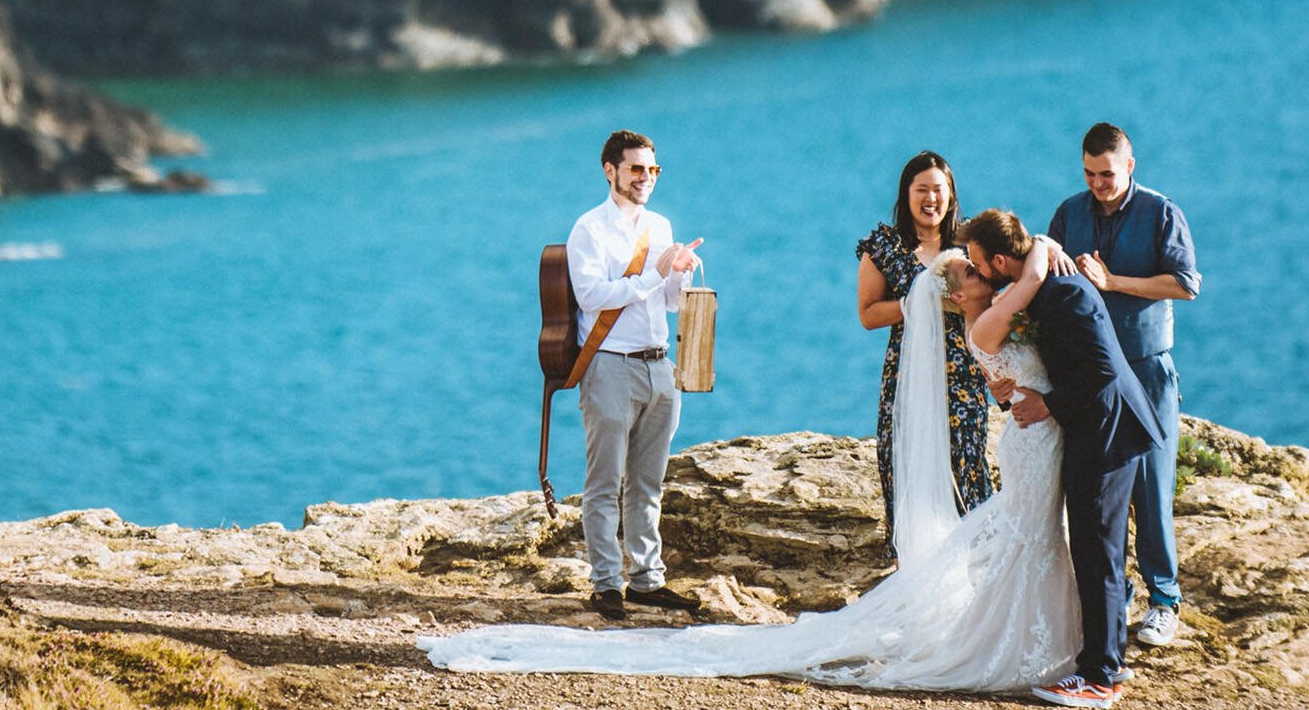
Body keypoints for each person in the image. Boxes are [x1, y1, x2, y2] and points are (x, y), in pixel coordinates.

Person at [421, 240, 1083, 691]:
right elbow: (1022, 289)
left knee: (1032, 539)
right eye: (968, 271)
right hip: (1032, 438)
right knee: (1027, 537)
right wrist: (1046, 255)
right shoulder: (988, 320)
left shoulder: (989, 318)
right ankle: (1017, 642)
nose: (975, 276)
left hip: (1033, 435)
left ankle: (1035, 636)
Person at [960, 208, 1164, 707]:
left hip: (1106, 432)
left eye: (979, 263)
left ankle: (1100, 677)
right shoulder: (1046, 287)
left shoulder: (1065, 293)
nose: (979, 272)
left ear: (1002, 261)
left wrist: (1046, 403)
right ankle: (1107, 658)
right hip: (1093, 430)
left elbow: (1099, 373)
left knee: (1097, 554)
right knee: (1097, 551)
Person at [1046, 123, 1200, 650]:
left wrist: (1114, 283)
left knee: (1151, 489)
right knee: (1093, 494)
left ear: (1129, 165)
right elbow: (1048, 284)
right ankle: (1119, 591)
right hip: (1089, 377)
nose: (1098, 183)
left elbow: (1185, 283)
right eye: (1089, 174)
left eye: (1106, 174)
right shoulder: (1068, 214)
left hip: (1147, 368)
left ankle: (1165, 600)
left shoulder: (1161, 213)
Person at [566, 130, 704, 620]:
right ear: (611, 171)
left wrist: (680, 274)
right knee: (605, 482)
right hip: (609, 366)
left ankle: (647, 581)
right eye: (636, 169)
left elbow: (665, 303)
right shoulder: (589, 230)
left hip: (657, 364)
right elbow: (592, 297)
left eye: (653, 170)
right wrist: (654, 274)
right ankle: (606, 583)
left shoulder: (661, 226)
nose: (646, 178)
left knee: (648, 483)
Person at [856, 151, 994, 560]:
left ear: (951, 195)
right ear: (907, 195)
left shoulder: (971, 244)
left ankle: (984, 558)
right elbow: (867, 314)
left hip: (964, 373)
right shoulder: (884, 245)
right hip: (908, 374)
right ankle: (911, 563)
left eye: (939, 190)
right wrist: (921, 298)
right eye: (922, 190)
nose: (930, 199)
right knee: (902, 459)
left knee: (968, 460)